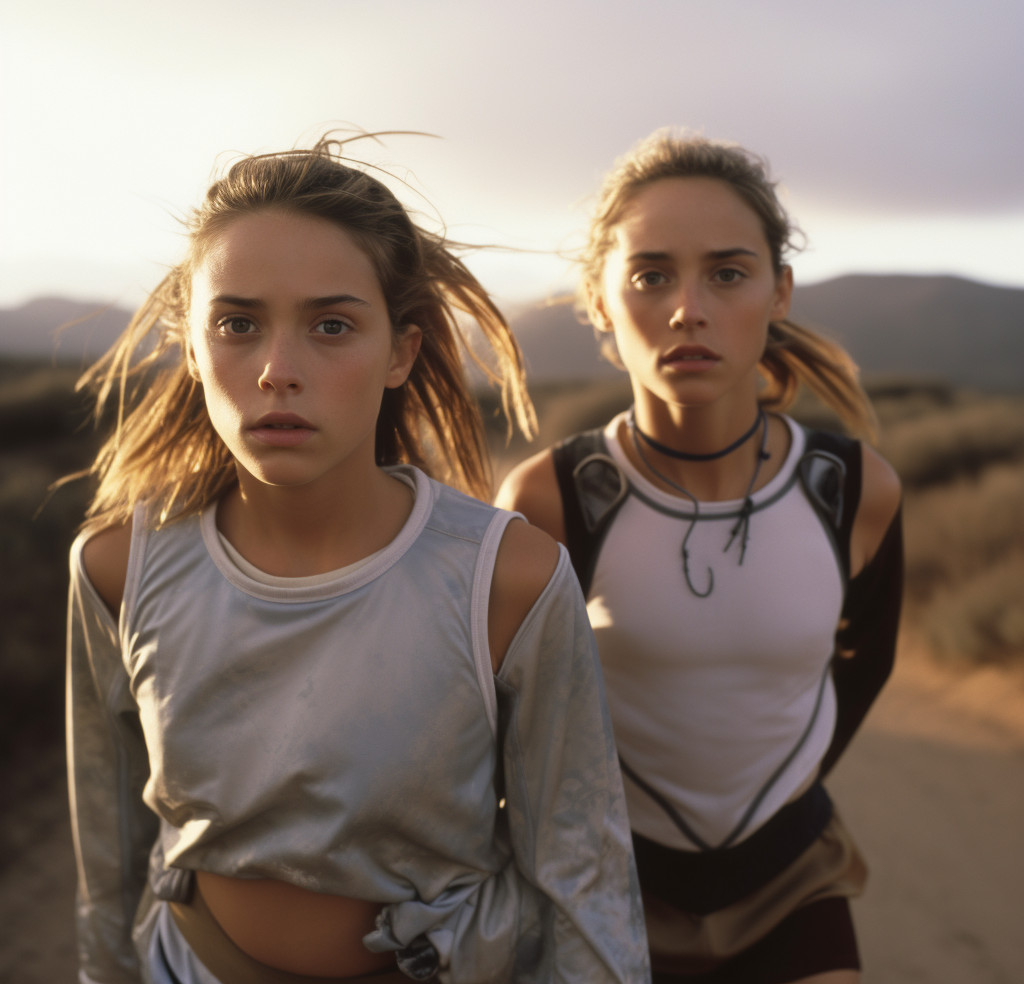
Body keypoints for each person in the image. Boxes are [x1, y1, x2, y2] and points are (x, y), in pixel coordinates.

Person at [67, 137, 650, 984]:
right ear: (191, 348)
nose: (277, 371)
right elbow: (106, 865)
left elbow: (582, 878)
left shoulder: (506, 580)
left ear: (401, 352)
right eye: (236, 324)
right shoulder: (122, 567)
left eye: (331, 325)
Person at [497, 131, 902, 984]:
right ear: (600, 301)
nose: (688, 308)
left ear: (778, 291)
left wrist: (792, 784)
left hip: (793, 877)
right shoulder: (549, 499)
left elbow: (866, 660)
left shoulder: (853, 488)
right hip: (604, 884)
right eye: (650, 274)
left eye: (727, 272)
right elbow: (502, 719)